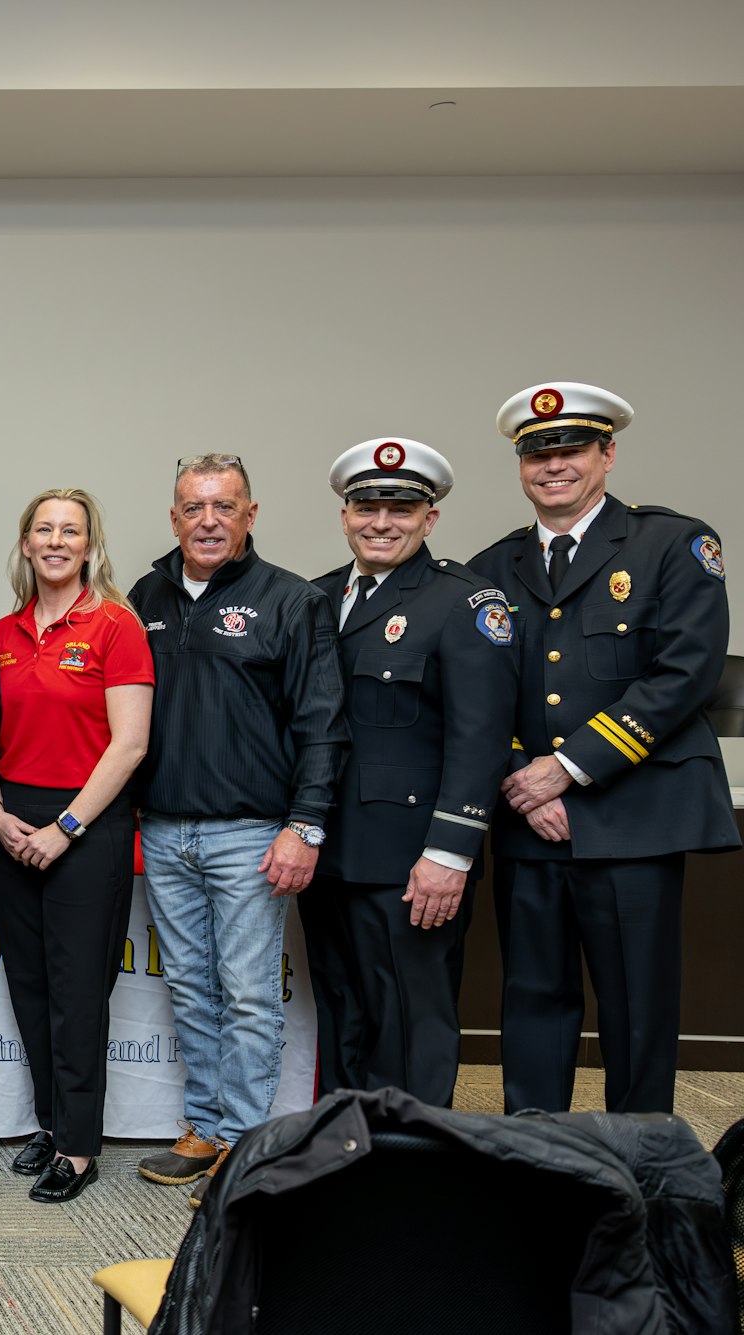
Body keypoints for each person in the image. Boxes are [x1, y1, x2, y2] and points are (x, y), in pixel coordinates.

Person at [471, 382, 736, 1115]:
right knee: (532, 1001)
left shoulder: (672, 544)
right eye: (536, 453)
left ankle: (642, 1160)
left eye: (572, 449)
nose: (553, 465)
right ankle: (536, 1154)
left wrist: (566, 770)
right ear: (521, 466)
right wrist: (526, 778)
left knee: (638, 1008)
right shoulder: (492, 569)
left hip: (634, 818)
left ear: (608, 453)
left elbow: (686, 673)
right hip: (532, 820)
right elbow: (478, 697)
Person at [127, 453, 346, 1205]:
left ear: (251, 514)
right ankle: (204, 1127)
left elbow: (322, 724)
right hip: (163, 830)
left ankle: (247, 1146)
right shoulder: (145, 596)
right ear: (174, 516)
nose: (208, 520)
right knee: (190, 987)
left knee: (249, 993)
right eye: (193, 507)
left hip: (252, 834)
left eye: (224, 506)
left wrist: (304, 826)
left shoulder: (292, 600)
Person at [302, 439, 517, 1109]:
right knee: (340, 1006)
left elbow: (481, 739)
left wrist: (449, 854)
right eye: (367, 506)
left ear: (430, 518)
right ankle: (344, 1144)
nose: (381, 522)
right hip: (327, 849)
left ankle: (415, 1156)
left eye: (401, 508)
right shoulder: (314, 596)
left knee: (412, 1016)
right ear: (345, 515)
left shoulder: (465, 602)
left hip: (410, 858)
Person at [0, 488, 152, 1203]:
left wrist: (67, 827)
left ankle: (79, 1146)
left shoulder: (115, 625)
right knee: (31, 984)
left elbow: (131, 743)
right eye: (43, 529)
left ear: (89, 546)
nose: (56, 540)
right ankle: (51, 1126)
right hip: (11, 819)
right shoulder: (3, 631)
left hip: (87, 822)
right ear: (25, 543)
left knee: (78, 991)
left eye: (70, 530)